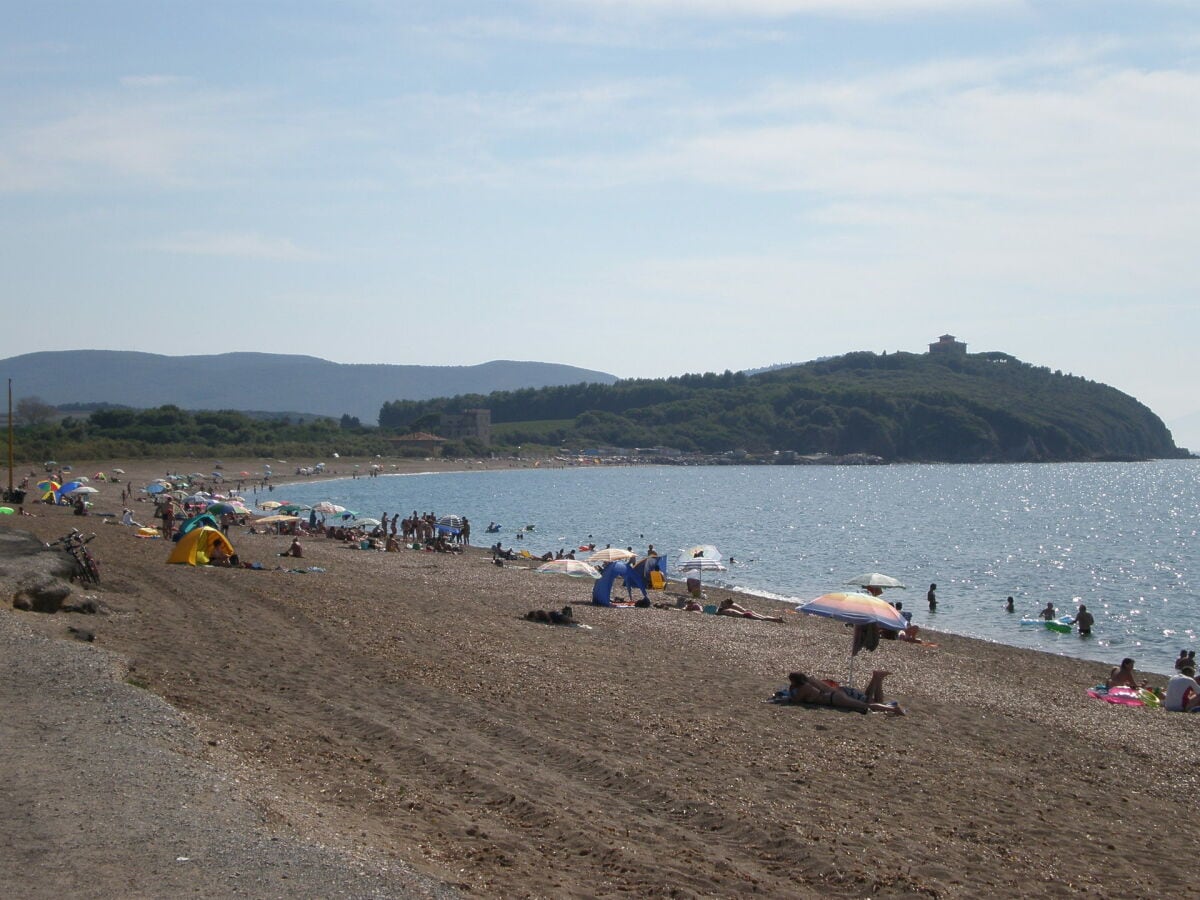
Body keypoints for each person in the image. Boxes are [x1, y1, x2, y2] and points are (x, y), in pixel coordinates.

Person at [782, 671, 905, 715]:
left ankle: (893, 709)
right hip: (836, 694)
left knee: (866, 705)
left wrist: (792, 688)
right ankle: (891, 707)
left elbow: (795, 701)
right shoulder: (811, 681)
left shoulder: (804, 688)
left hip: (834, 699)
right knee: (866, 702)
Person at [717, 598, 783, 622]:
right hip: (748, 611)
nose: (722, 603)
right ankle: (776, 619)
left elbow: (718, 612)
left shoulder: (728, 608)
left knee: (763, 619)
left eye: (724, 603)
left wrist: (721, 606)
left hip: (747, 614)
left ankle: (777, 620)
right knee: (763, 617)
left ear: (727, 604)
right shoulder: (732, 605)